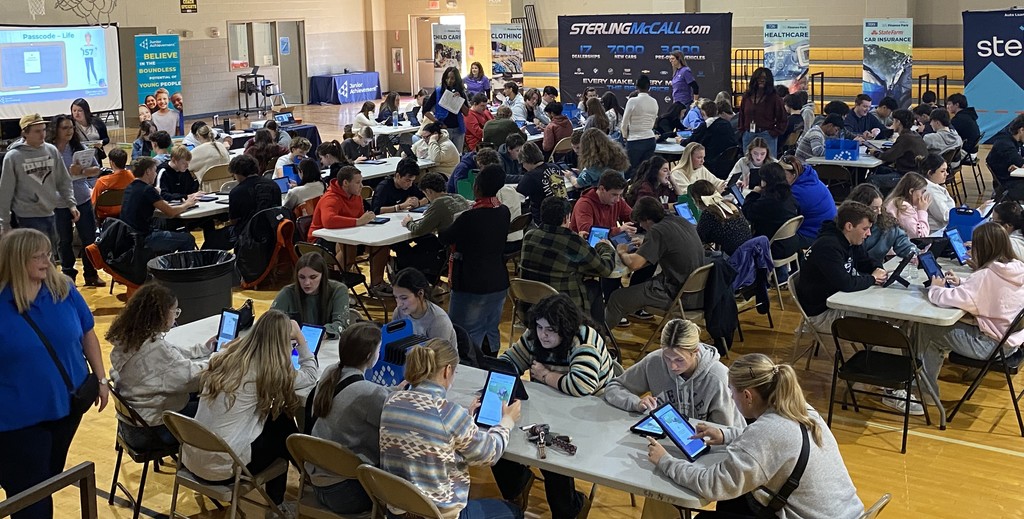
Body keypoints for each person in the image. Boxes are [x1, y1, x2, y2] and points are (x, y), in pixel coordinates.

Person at [645, 353, 864, 519]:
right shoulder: (800, 409)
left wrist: (665, 461)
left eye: (732, 391)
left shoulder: (767, 432)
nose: (731, 397)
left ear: (748, 396)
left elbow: (712, 484)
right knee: (736, 500)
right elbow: (771, 440)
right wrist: (725, 434)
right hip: (849, 512)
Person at [0, 228, 108, 519]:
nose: (47, 262)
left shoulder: (63, 289)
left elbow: (87, 333)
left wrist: (101, 379)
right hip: (17, 421)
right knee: (32, 498)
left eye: (48, 254)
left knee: (47, 479)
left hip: (68, 408)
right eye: (38, 257)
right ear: (16, 260)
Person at [493, 294, 614, 519]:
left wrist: (545, 375)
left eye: (550, 330)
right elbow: (510, 362)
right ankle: (517, 487)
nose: (543, 335)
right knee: (498, 436)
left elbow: (581, 385)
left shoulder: (584, 339)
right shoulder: (534, 336)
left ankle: (570, 509)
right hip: (550, 408)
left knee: (552, 458)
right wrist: (499, 372)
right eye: (539, 327)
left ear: (566, 329)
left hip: (590, 414)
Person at [182, 310, 317, 507]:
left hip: (193, 459)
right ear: (282, 344)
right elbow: (311, 375)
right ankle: (287, 497)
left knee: (277, 421)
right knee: (281, 429)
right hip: (224, 469)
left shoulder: (227, 355)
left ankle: (307, 477)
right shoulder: (268, 372)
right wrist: (301, 340)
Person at [380, 338, 523, 519]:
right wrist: (507, 421)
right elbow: (489, 453)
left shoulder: (392, 400)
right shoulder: (448, 413)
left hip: (397, 510)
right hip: (436, 513)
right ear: (447, 371)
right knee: (514, 512)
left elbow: (428, 441)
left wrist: (465, 420)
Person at [917, 222, 1024, 401]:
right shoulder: (1017, 268)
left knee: (927, 329)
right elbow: (987, 291)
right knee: (946, 328)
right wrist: (963, 283)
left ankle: (924, 393)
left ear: (983, 248)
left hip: (990, 346)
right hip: (1011, 343)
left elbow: (944, 299)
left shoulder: (984, 276)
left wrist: (935, 288)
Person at [107, 283, 212, 449]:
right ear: (162, 314)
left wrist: (203, 349)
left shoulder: (131, 339)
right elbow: (193, 379)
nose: (176, 316)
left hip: (132, 424)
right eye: (175, 311)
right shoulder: (155, 350)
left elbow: (171, 354)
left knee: (199, 398)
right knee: (214, 404)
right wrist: (221, 358)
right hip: (152, 432)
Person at [308, 322, 386, 515]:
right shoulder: (369, 393)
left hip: (317, 483)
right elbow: (392, 423)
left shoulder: (330, 372)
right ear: (369, 355)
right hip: (348, 494)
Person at [605, 318, 744, 424]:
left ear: (695, 352)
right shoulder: (654, 361)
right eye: (667, 357)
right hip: (670, 436)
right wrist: (636, 403)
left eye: (679, 360)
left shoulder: (717, 376)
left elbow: (725, 431)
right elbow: (614, 387)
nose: (672, 366)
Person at [440, 165, 511, 355]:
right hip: (498, 280)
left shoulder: (469, 217)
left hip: (471, 283)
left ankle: (469, 367)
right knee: (490, 330)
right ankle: (491, 364)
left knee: (463, 333)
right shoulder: (504, 212)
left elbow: (445, 237)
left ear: (476, 187)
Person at [605, 196, 706, 328]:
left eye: (640, 222)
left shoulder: (658, 230)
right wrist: (646, 244)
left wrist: (622, 251)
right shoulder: (680, 221)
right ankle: (633, 310)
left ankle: (601, 336)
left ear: (647, 219)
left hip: (679, 296)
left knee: (616, 298)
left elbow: (635, 264)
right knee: (644, 283)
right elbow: (671, 246)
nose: (641, 226)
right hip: (699, 294)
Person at [795, 201, 887, 335]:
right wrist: (873, 278)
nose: (869, 234)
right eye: (865, 229)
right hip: (822, 314)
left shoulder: (851, 240)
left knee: (886, 314)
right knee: (882, 321)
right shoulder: (828, 247)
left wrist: (879, 269)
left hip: (839, 300)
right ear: (849, 226)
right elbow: (846, 283)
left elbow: (866, 262)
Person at [522, 197, 615, 320]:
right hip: (561, 306)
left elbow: (556, 249)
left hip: (529, 305)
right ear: (566, 218)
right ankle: (595, 329)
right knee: (594, 286)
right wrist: (604, 246)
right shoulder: (573, 242)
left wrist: (576, 238)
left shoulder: (529, 235)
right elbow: (605, 269)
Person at [308, 167, 390, 295]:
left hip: (351, 235)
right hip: (322, 239)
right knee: (347, 246)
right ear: (345, 183)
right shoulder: (330, 198)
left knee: (381, 244)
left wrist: (365, 220)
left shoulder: (356, 196)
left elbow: (360, 217)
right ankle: (338, 289)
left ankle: (377, 284)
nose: (361, 186)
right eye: (358, 182)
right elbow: (328, 221)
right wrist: (357, 221)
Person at [0, 114, 74, 254]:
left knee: (50, 255)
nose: (42, 134)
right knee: (35, 256)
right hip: (27, 216)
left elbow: (63, 180)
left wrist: (71, 203)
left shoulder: (51, 150)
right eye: (37, 131)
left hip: (50, 212)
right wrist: (4, 222)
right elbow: (5, 191)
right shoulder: (13, 156)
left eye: (44, 130)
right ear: (25, 133)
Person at [46, 114, 103, 286]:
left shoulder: (79, 147)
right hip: (59, 202)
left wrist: (82, 171)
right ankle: (68, 275)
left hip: (82, 198)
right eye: (65, 128)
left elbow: (97, 169)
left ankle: (91, 274)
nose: (69, 131)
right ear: (55, 130)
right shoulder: (48, 150)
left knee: (89, 239)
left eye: (71, 127)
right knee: (64, 241)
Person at [120, 157, 198, 254]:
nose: (156, 174)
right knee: (188, 239)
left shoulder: (130, 187)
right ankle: (183, 264)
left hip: (129, 236)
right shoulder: (147, 190)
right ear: (148, 171)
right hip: (144, 238)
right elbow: (170, 212)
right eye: (154, 170)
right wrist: (187, 204)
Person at [270, 252, 350, 338]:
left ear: (323, 276)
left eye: (313, 277)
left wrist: (323, 333)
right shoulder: (288, 292)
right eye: (302, 277)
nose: (306, 283)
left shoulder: (338, 290)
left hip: (328, 342)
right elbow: (269, 323)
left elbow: (341, 324)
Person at [847, 184, 918, 268]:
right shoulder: (847, 226)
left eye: (880, 207)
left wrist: (914, 254)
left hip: (876, 270)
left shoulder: (888, 226)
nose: (879, 212)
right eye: (874, 208)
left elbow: (904, 245)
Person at [742, 162, 801, 261]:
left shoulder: (768, 202)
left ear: (765, 181)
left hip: (772, 248)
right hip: (791, 244)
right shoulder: (789, 196)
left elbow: (747, 212)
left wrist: (754, 193)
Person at [781, 155, 836, 248]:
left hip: (815, 236)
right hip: (828, 230)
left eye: (783, 176)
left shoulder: (797, 192)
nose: (779, 178)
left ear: (793, 175)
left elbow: (783, 214)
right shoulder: (810, 179)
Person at [392, 267, 457, 345]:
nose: (399, 304)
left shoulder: (438, 321)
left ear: (420, 293)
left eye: (404, 298)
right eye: (396, 297)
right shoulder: (399, 312)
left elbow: (439, 352)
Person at [867, 109, 929, 192]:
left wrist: (875, 152)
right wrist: (883, 150)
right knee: (879, 169)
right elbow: (896, 150)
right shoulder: (914, 135)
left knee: (872, 179)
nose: (892, 123)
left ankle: (877, 199)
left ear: (898, 122)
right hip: (916, 173)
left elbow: (889, 157)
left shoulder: (905, 138)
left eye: (894, 121)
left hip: (908, 176)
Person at [689, 180, 751, 255]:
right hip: (749, 253)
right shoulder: (730, 204)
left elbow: (698, 239)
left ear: (696, 201)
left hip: (734, 258)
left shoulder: (708, 214)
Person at [737, 67, 788, 153]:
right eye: (759, 78)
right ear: (754, 79)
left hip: (767, 136)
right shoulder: (747, 97)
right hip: (748, 135)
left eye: (764, 78)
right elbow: (741, 115)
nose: (761, 80)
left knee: (768, 161)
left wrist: (774, 133)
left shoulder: (774, 98)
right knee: (748, 160)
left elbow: (783, 119)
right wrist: (742, 131)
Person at [570, 171, 634, 238]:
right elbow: (587, 232)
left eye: (620, 195)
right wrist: (618, 230)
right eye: (614, 195)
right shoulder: (584, 204)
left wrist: (636, 225)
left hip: (608, 242)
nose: (617, 200)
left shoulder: (617, 201)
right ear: (602, 189)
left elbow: (633, 217)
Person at [517, 142, 568, 224]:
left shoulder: (530, 176)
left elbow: (518, 197)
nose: (523, 166)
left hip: (543, 220)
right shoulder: (555, 167)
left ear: (526, 160)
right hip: (564, 215)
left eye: (522, 163)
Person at [424, 66, 470, 152]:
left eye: (452, 78)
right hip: (444, 129)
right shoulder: (438, 91)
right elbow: (425, 111)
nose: (449, 81)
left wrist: (460, 100)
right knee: (446, 154)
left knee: (458, 154)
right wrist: (437, 122)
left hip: (458, 129)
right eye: (447, 78)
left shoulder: (461, 92)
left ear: (456, 79)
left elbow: (466, 112)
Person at [227, 154, 281, 226]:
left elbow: (234, 221)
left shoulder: (236, 192)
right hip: (274, 228)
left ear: (238, 173)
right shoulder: (273, 184)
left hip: (249, 230)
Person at [682, 99, 738, 167]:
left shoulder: (706, 126)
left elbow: (691, 142)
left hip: (711, 161)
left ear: (703, 113)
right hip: (728, 161)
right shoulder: (727, 124)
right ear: (717, 111)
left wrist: (681, 140)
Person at [621, 74, 660, 170]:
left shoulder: (632, 101)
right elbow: (653, 121)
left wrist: (625, 136)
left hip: (634, 140)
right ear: (649, 87)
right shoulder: (654, 101)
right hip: (650, 140)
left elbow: (624, 123)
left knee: (630, 171)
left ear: (636, 86)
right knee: (645, 171)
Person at [883, 172, 931, 239]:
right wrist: (922, 211)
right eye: (922, 192)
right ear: (911, 191)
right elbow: (921, 237)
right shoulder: (903, 207)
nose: (923, 196)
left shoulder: (894, 201)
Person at [92, 148, 134, 220]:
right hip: (125, 211)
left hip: (104, 215)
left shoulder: (102, 181)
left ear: (112, 162)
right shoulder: (132, 177)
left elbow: (93, 203)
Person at [985, 114, 1024, 191]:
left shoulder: (1014, 140)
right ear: (1022, 130)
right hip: (1008, 186)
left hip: (1011, 180)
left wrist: (1019, 166)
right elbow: (1021, 163)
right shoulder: (1005, 145)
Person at [918, 153, 955, 232]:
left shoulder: (933, 186)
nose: (946, 174)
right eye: (942, 171)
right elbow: (945, 216)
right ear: (930, 173)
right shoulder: (931, 191)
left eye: (946, 170)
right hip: (936, 232)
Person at [70, 98, 109, 163]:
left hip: (96, 157)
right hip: (79, 159)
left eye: (80, 111)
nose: (77, 113)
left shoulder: (97, 122)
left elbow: (106, 138)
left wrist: (101, 143)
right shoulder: (71, 125)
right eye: (74, 111)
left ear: (86, 111)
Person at [668, 51, 699, 123]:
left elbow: (695, 86)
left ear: (679, 59)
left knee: (683, 123)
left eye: (673, 59)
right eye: (670, 59)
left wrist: (695, 102)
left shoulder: (685, 71)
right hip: (677, 104)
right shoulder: (676, 72)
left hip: (685, 103)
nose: (670, 61)